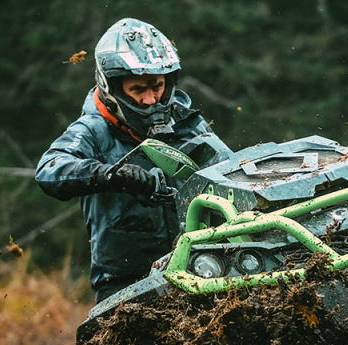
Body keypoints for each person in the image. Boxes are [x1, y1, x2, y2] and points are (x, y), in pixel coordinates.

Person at [36, 18, 231, 303]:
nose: (152, 99)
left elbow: (231, 172)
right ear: (112, 87)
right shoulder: (93, 129)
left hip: (201, 268)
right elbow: (49, 169)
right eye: (138, 89)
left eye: (158, 86)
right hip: (126, 283)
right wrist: (111, 175)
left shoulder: (187, 122)